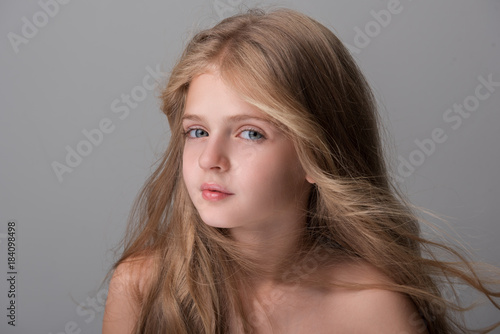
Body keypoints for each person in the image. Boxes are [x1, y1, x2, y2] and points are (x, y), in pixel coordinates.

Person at [102, 7, 500, 334]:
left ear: (316, 155)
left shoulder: (373, 310)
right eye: (198, 131)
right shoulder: (143, 288)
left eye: (251, 133)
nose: (210, 158)